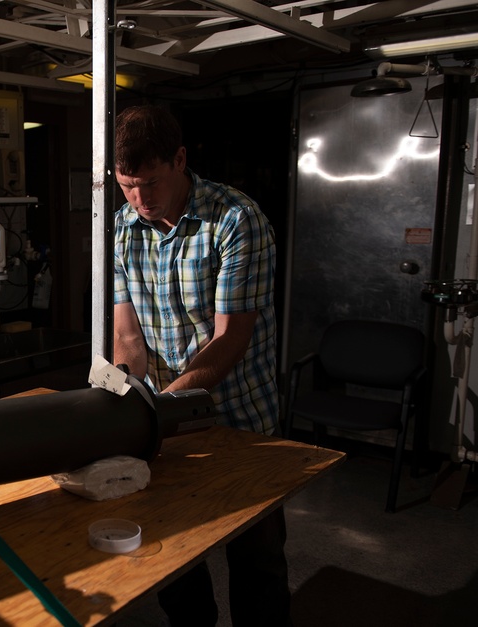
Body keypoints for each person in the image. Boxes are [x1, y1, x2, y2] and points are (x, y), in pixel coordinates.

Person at [111, 104, 290, 626]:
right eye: (127, 186)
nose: (140, 200)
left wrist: (162, 410)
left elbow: (230, 339)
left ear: (181, 159)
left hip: (242, 423)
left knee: (258, 566)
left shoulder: (236, 219)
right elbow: (127, 335)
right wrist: (124, 404)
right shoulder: (122, 229)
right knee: (175, 563)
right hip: (165, 427)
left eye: (150, 182)